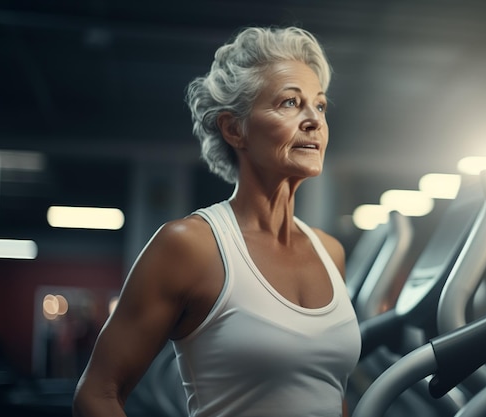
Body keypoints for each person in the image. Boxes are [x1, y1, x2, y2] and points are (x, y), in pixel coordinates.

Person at [72, 26, 362, 417]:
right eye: (291, 103)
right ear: (234, 128)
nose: (314, 120)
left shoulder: (331, 253)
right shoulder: (189, 246)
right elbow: (97, 394)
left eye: (320, 105)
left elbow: (329, 393)